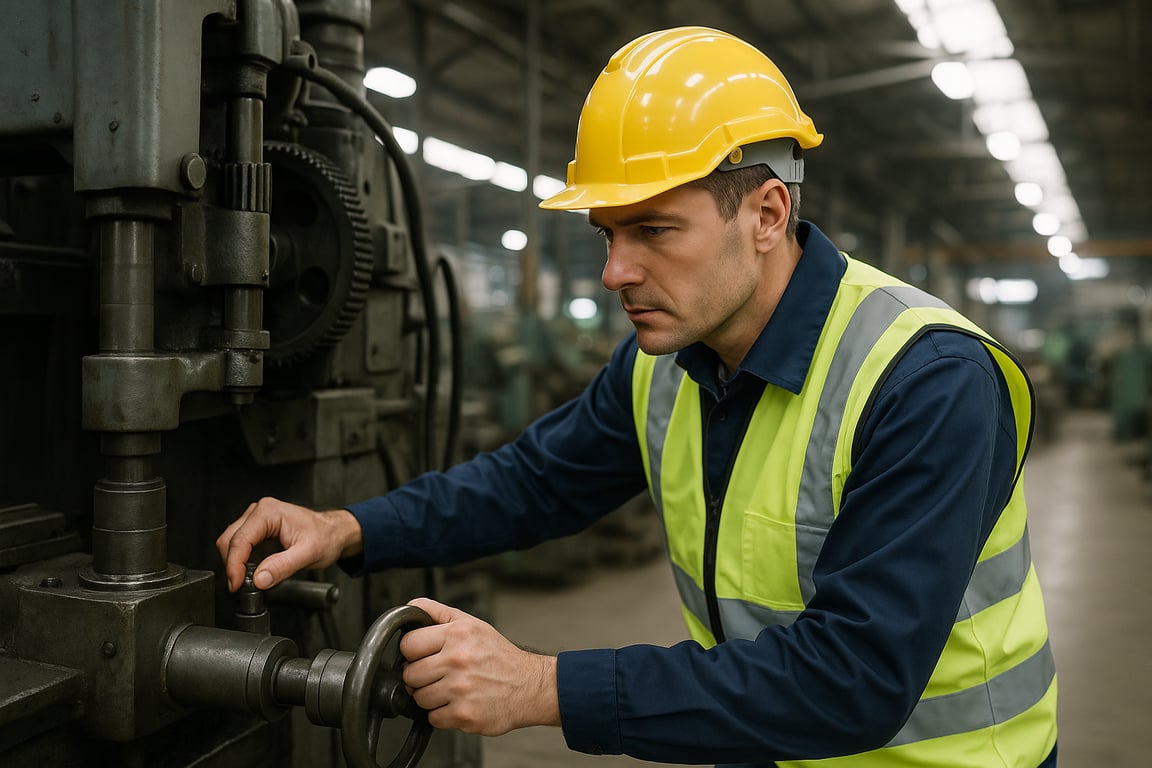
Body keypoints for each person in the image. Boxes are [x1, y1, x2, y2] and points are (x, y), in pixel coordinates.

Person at [218, 26, 1058, 767]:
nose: (617, 271)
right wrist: (350, 528)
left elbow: (856, 679)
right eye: (608, 234)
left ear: (766, 213)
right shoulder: (665, 361)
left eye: (654, 230)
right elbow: (536, 482)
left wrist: (544, 686)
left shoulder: (926, 381)